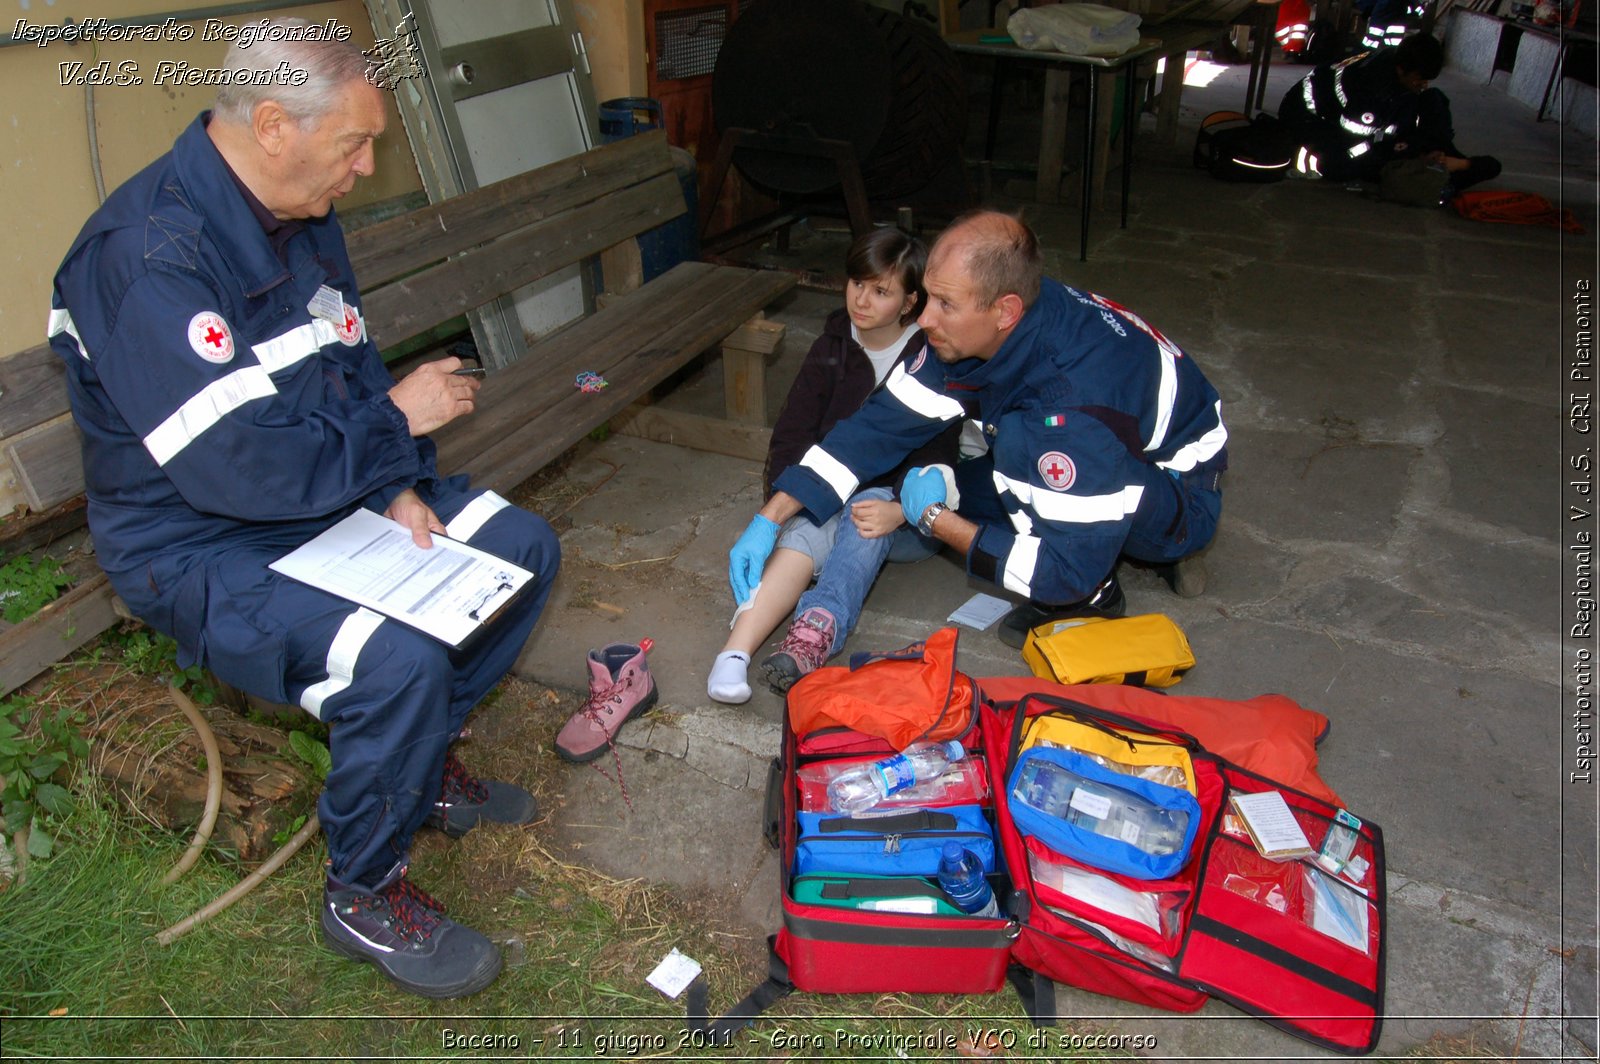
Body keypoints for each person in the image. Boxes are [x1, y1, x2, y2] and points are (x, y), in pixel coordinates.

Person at [47, 22, 560, 999]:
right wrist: (396, 422)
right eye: (355, 147)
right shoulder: (147, 258)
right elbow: (236, 472)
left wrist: (396, 478)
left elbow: (349, 364)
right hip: (197, 538)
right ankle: (362, 891)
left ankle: (415, 766)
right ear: (273, 124)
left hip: (321, 488)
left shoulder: (299, 206)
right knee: (396, 654)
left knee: (516, 547)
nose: (366, 170)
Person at [728, 210, 1227, 651]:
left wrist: (938, 521)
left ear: (1004, 311)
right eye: (928, 298)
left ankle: (1098, 594)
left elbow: (1058, 570)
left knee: (1018, 457)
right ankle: (1081, 528)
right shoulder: (1001, 316)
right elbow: (876, 428)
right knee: (923, 476)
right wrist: (772, 516)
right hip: (1097, 443)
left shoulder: (1068, 409)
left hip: (1180, 491)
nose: (923, 318)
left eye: (944, 304)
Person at [709, 227, 958, 700]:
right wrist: (784, 507)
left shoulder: (931, 358)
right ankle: (733, 656)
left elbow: (937, 457)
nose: (861, 300)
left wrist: (901, 509)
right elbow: (792, 434)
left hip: (903, 518)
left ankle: (815, 631)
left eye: (880, 291)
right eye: (856, 283)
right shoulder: (831, 346)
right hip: (831, 496)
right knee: (813, 518)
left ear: (909, 303)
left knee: (865, 509)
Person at [1278, 33, 1501, 196]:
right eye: (1418, 79)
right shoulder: (1372, 90)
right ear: (1401, 70)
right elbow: (1357, 143)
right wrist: (1405, 150)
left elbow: (1399, 123)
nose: (1422, 85)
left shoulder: (1401, 76)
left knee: (1434, 99)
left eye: (1426, 80)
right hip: (1310, 119)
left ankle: (1447, 162)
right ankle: (1444, 167)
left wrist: (1430, 149)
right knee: (1342, 165)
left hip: (1373, 128)